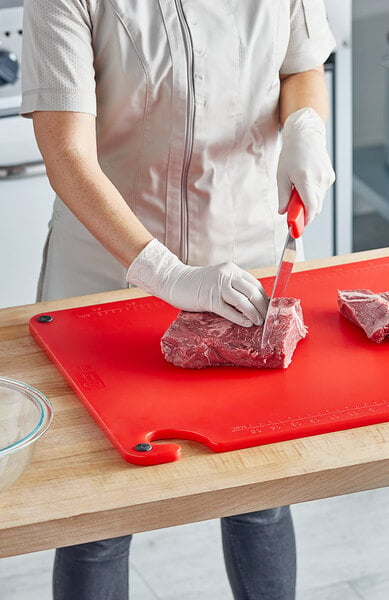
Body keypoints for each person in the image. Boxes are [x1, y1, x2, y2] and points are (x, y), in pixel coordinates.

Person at [20, 1, 336, 599]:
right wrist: (165, 273)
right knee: (100, 519)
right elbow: (65, 151)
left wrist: (305, 128)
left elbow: (301, 67)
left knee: (260, 495)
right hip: (109, 274)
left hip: (246, 255)